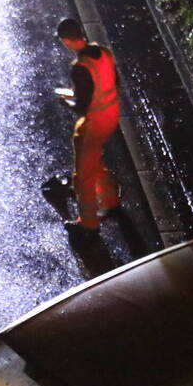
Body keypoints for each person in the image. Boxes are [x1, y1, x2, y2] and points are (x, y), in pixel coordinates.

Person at [55, 18, 121, 238]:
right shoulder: (104, 52)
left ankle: (88, 224)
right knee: (93, 157)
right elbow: (113, 82)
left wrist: (66, 101)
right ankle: (110, 200)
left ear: (66, 41)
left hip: (96, 121)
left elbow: (82, 105)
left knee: (84, 173)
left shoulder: (80, 67)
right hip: (112, 113)